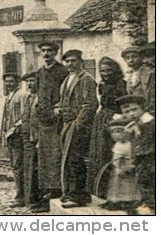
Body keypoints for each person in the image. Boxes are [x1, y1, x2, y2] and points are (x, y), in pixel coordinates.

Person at [55, 49, 97, 208]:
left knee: (75, 159)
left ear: (81, 62)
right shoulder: (67, 79)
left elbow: (90, 104)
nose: (70, 64)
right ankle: (70, 192)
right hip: (66, 123)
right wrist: (57, 108)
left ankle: (79, 195)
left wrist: (78, 123)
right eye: (67, 61)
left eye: (73, 61)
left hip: (77, 125)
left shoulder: (86, 79)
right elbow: (63, 100)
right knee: (68, 159)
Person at [32, 41, 69, 213]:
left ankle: (56, 191)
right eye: (43, 51)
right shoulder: (40, 72)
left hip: (56, 121)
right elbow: (39, 94)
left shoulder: (62, 71)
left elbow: (65, 94)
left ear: (56, 52)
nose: (46, 54)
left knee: (55, 155)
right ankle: (46, 192)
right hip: (43, 120)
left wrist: (58, 107)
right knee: (44, 157)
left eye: (50, 51)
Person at [87, 57, 128, 198]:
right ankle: (101, 191)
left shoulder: (121, 84)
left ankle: (115, 193)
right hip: (101, 119)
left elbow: (122, 104)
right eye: (103, 71)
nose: (106, 73)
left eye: (109, 70)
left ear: (115, 69)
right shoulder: (102, 84)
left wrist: (117, 117)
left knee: (111, 153)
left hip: (115, 119)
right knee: (99, 154)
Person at [119, 94, 155, 215]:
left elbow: (148, 143)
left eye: (134, 109)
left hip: (150, 158)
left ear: (143, 108)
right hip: (141, 158)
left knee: (148, 180)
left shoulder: (150, 123)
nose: (131, 114)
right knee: (142, 180)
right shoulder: (135, 124)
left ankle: (151, 206)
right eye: (127, 111)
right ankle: (146, 203)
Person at [97, 116, 140, 211]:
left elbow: (132, 157)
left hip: (125, 168)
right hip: (117, 168)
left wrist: (128, 165)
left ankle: (127, 201)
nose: (115, 135)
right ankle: (114, 200)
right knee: (115, 185)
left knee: (127, 185)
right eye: (112, 132)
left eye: (119, 132)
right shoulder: (118, 144)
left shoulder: (129, 145)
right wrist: (116, 167)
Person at [0, 72, 28, 207]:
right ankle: (20, 194)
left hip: (18, 135)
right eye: (7, 81)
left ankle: (21, 197)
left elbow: (24, 116)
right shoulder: (8, 97)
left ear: (18, 82)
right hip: (10, 136)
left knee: (19, 166)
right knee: (15, 166)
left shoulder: (22, 95)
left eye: (11, 81)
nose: (8, 84)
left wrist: (14, 128)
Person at [20, 72, 42, 209]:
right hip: (27, 137)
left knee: (36, 170)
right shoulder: (28, 98)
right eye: (27, 81)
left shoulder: (41, 99)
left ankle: (36, 200)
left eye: (32, 81)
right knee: (28, 168)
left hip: (37, 138)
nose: (29, 84)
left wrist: (40, 139)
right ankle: (29, 199)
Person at [122, 46, 155, 115]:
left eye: (134, 57)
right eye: (127, 58)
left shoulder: (150, 73)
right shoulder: (130, 76)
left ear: (141, 58)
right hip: (137, 112)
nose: (131, 60)